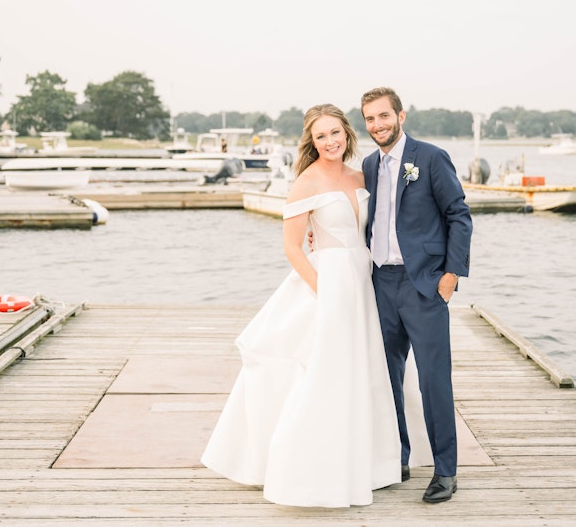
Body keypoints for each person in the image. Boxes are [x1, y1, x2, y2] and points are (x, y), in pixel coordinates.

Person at [201, 103, 401, 507]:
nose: (330, 141)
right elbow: (292, 248)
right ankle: (310, 470)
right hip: (329, 282)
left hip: (364, 280)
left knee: (365, 369)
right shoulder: (306, 183)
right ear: (312, 142)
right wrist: (323, 291)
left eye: (335, 133)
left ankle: (368, 464)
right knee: (325, 372)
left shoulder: (361, 175)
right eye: (321, 136)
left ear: (347, 134)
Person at [361, 87, 472, 503]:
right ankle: (398, 457)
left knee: (433, 381)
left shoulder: (429, 158)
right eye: (370, 119)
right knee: (386, 377)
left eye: (384, 116)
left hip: (424, 284)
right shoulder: (368, 165)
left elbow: (459, 215)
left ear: (400, 116)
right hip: (380, 285)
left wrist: (451, 276)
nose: (378, 125)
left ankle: (446, 471)